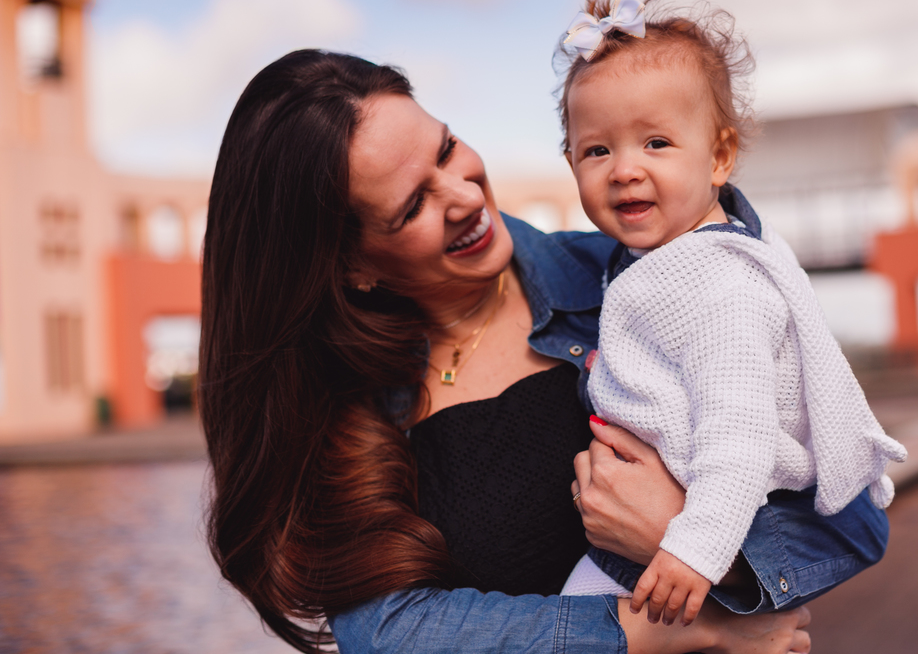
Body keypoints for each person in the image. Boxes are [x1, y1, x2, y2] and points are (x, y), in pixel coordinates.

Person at [200, 49, 871, 654]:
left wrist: (697, 543)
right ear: (350, 265)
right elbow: (388, 631)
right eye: (413, 208)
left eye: (446, 150)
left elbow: (854, 520)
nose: (464, 197)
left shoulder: (644, 286)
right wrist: (650, 633)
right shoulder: (340, 408)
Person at [555, 0, 906, 626]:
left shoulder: (719, 285)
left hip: (702, 530)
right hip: (673, 521)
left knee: (581, 626)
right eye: (596, 151)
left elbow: (736, 435)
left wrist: (697, 549)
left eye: (656, 142)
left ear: (718, 157)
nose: (624, 170)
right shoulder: (655, 260)